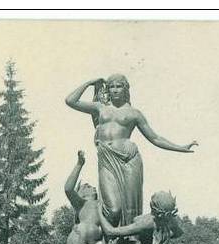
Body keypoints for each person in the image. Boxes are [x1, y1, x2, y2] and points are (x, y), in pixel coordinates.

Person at [65, 74, 197, 226]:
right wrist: (89, 83)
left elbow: (155, 138)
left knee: (130, 209)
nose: (114, 90)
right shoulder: (100, 108)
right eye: (111, 87)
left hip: (129, 161)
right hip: (107, 160)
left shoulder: (134, 113)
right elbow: (70, 101)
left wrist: (180, 147)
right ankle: (108, 238)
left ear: (125, 89)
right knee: (113, 210)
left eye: (118, 86)